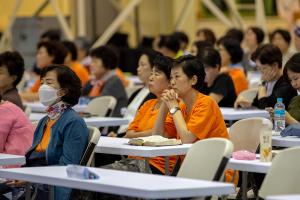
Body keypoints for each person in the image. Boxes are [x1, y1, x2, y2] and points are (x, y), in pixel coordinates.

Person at [8, 64, 89, 200]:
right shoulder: (45, 120)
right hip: (34, 179)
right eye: (42, 82)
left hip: (51, 185)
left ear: (62, 92)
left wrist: (31, 178)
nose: (42, 87)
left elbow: (67, 167)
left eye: (49, 82)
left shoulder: (74, 122)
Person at [104, 54, 175, 175]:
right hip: (133, 160)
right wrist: (145, 135)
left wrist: (137, 136)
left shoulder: (175, 106)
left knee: (104, 175)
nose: (151, 78)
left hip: (155, 165)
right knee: (97, 174)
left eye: (156, 74)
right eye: (151, 73)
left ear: (170, 81)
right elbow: (128, 133)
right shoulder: (147, 104)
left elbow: (161, 134)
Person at [153, 55, 228, 144]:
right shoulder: (181, 106)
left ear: (193, 80)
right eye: (171, 78)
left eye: (177, 76)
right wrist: (164, 105)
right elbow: (158, 137)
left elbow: (187, 139)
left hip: (213, 157)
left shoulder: (206, 103)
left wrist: (174, 108)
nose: (172, 83)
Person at [235, 44, 297, 109]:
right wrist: (246, 104)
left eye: (263, 68)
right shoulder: (268, 81)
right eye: (259, 68)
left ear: (275, 66)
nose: (261, 72)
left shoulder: (287, 83)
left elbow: (265, 108)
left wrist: (262, 84)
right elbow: (258, 104)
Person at [116, 49, 157, 135]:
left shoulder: (155, 95)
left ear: (154, 68)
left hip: (131, 136)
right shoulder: (136, 92)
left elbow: (140, 126)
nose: (138, 69)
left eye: (143, 65)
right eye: (138, 65)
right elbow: (124, 116)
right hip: (122, 134)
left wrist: (119, 136)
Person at [82, 46, 128, 117]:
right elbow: (78, 94)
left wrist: (80, 100)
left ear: (107, 62)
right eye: (91, 61)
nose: (91, 65)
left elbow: (99, 102)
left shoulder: (114, 81)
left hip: (111, 124)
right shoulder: (94, 80)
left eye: (95, 61)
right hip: (96, 118)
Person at [280, 53, 300, 124]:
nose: (293, 84)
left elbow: (290, 121)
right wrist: (279, 119)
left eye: (295, 78)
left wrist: (289, 120)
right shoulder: (295, 101)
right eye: (290, 80)